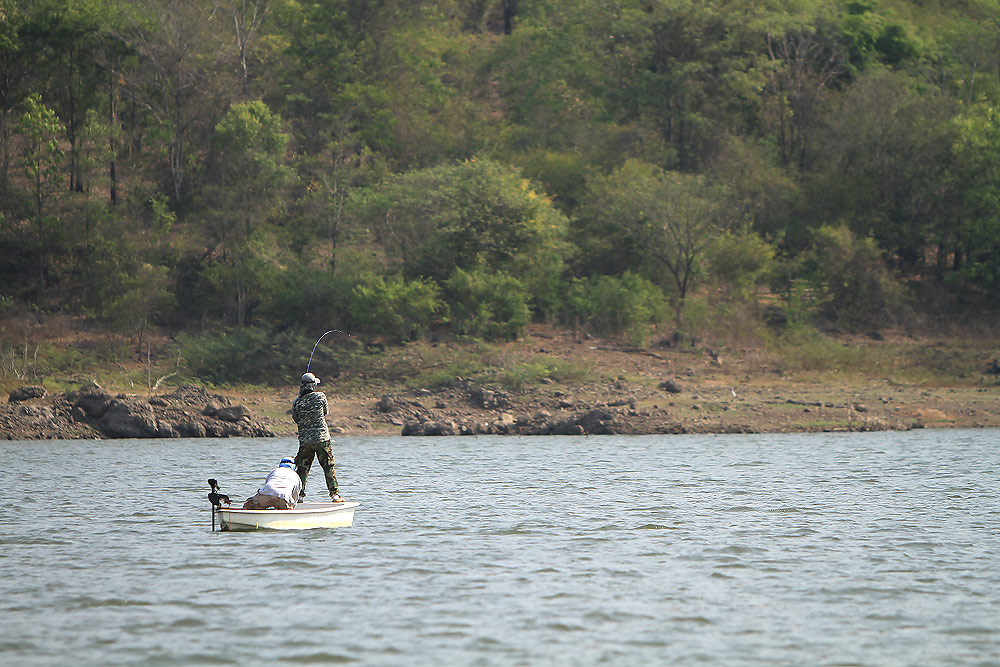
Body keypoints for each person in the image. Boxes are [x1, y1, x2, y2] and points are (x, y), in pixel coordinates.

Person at [292, 372, 344, 502]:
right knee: (328, 466)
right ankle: (335, 495)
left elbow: (296, 419)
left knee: (302, 469)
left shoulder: (297, 402)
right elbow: (325, 412)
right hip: (322, 439)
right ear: (313, 385)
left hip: (305, 442)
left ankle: (299, 496)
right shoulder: (321, 397)